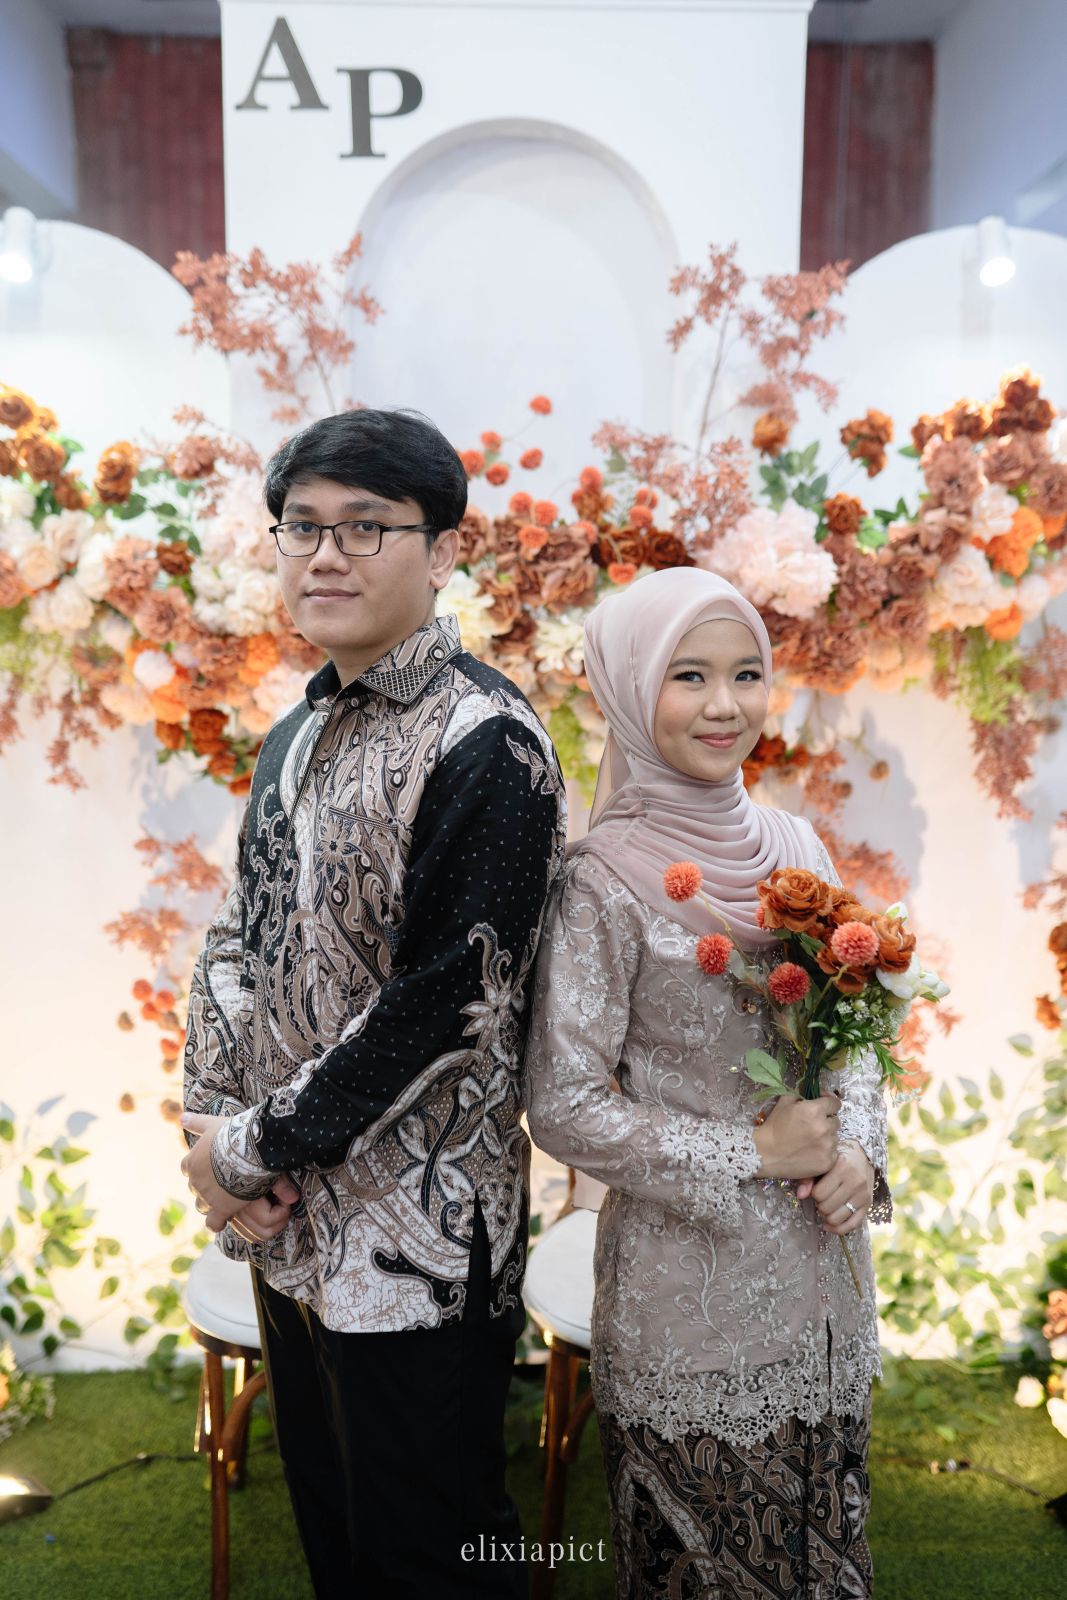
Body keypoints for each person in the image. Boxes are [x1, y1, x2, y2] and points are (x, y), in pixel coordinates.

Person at [180, 408, 567, 1599]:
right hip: (288, 1224)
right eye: (302, 527)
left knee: (435, 1555)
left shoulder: (488, 741)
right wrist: (209, 1125)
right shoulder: (293, 732)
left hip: (418, 1244)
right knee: (337, 1540)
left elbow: (443, 1007)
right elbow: (238, 936)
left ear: (441, 549)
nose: (326, 555)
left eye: (365, 527)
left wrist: (249, 1149)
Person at [526, 566, 889, 1599]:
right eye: (687, 675)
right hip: (689, 1294)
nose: (724, 705)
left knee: (823, 1555)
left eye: (744, 674)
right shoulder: (600, 879)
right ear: (631, 687)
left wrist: (858, 1147)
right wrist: (751, 1151)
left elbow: (855, 1026)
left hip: (823, 1277)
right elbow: (562, 1102)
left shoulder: (796, 847)